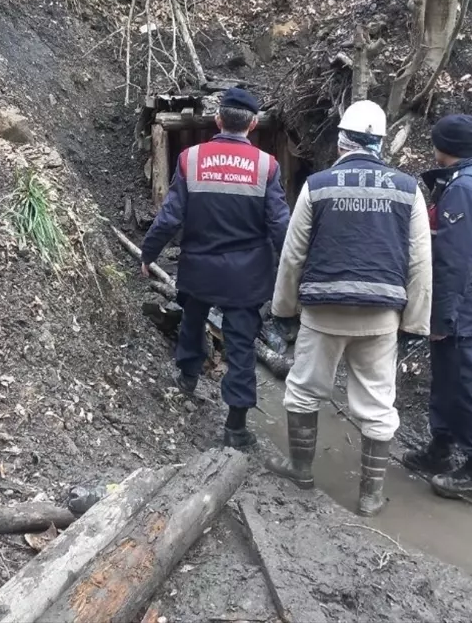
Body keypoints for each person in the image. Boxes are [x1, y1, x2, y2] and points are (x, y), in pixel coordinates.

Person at [264, 100, 431, 516]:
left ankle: (301, 471)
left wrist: (283, 308)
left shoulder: (318, 185)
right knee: (377, 405)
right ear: (381, 143)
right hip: (380, 316)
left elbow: (293, 253)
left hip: (323, 312)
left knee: (303, 390)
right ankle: (371, 496)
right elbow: (420, 262)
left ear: (341, 142)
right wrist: (415, 323)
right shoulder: (408, 190)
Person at [140, 88, 289, 449]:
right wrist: (292, 271)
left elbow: (170, 216)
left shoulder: (191, 159)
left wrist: (149, 254)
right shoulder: (267, 166)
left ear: (218, 120)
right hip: (247, 277)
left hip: (199, 269)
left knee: (192, 320)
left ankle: (187, 377)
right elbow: (280, 225)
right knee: (241, 346)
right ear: (252, 124)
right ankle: (235, 426)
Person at [404, 114, 472, 499]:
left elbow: (455, 259)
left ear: (441, 146)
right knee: (448, 377)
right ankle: (441, 448)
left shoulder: (463, 189)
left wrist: (442, 316)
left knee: (467, 383)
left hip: (467, 302)